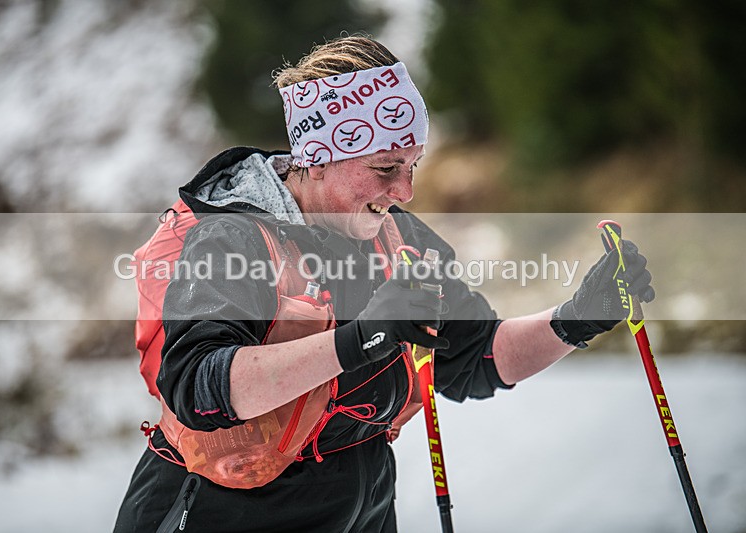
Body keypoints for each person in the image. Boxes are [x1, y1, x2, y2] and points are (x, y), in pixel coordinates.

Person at [114, 35, 654, 532]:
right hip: (218, 512)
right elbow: (199, 388)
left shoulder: (398, 241)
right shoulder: (232, 238)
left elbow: (475, 357)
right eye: (385, 167)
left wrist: (578, 317)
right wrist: (364, 336)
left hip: (359, 507)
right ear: (318, 158)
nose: (406, 190)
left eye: (413, 165)